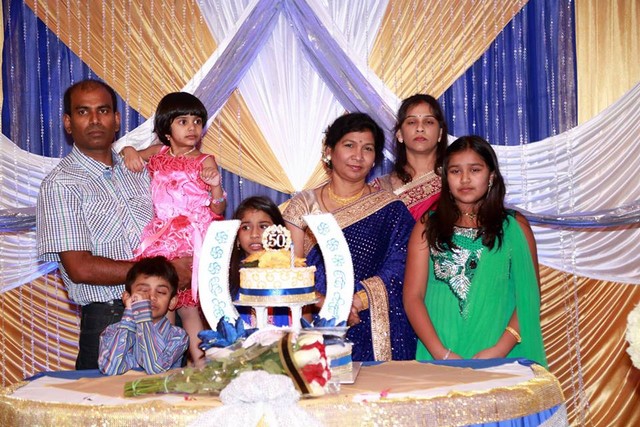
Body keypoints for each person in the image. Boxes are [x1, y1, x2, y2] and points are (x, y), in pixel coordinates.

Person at [36, 79, 192, 370]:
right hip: (110, 318)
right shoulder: (60, 184)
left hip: (165, 319)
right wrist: (164, 274)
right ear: (68, 123)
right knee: (103, 400)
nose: (95, 120)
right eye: (83, 112)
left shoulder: (138, 171)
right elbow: (80, 268)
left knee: (168, 399)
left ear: (117, 120)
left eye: (103, 110)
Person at [403, 135, 547, 367]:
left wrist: (500, 349)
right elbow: (413, 297)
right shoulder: (428, 226)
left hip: (501, 354)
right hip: (440, 353)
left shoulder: (514, 227)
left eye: (475, 170)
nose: (465, 179)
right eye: (455, 171)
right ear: (446, 177)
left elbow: (529, 297)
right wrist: (441, 353)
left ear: (491, 176)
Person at [283, 112, 417, 361]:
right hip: (319, 322)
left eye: (368, 148)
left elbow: (402, 266)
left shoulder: (390, 208)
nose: (358, 155)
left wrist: (357, 301)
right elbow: (290, 272)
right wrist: (329, 305)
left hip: (379, 324)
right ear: (329, 151)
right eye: (349, 145)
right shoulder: (302, 207)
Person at [120, 92, 226, 367]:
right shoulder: (158, 153)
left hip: (190, 237)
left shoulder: (205, 160)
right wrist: (128, 149)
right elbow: (130, 155)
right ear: (167, 128)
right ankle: (162, 364)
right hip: (161, 236)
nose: (192, 128)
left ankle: (202, 367)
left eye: (197, 121)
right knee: (161, 302)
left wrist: (215, 186)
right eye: (183, 121)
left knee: (189, 308)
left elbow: (218, 209)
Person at [98, 256, 188, 375]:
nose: (151, 297)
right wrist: (129, 318)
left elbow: (155, 369)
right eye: (143, 291)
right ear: (127, 297)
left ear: (172, 301)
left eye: (160, 292)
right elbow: (110, 369)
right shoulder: (112, 331)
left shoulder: (178, 336)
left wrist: (143, 318)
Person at [372, 94, 448, 220]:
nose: (420, 128)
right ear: (400, 134)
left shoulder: (453, 181)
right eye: (412, 122)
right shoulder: (381, 188)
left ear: (440, 133)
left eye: (429, 122)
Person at [229, 196, 289, 327]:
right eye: (245, 227)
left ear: (278, 232)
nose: (254, 234)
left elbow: (304, 324)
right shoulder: (225, 279)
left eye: (263, 226)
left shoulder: (293, 275)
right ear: (236, 237)